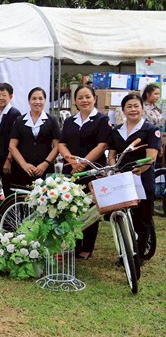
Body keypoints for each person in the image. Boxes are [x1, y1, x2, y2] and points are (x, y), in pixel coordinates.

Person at [58, 85, 112, 259]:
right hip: (72, 170)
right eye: (80, 97)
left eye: (87, 97)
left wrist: (82, 163)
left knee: (89, 208)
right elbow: (62, 143)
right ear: (75, 101)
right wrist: (70, 160)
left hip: (92, 170)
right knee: (71, 207)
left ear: (94, 98)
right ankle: (73, 244)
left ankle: (87, 247)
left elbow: (102, 145)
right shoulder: (69, 121)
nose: (84, 100)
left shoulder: (102, 120)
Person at [108, 94, 160, 262]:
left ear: (142, 108)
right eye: (129, 106)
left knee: (142, 217)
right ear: (123, 110)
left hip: (141, 177)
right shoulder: (117, 131)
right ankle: (126, 252)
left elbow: (151, 157)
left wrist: (140, 169)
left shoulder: (150, 130)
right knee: (123, 215)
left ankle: (139, 254)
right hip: (121, 178)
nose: (133, 109)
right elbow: (111, 155)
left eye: (136, 106)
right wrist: (114, 168)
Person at [8, 87, 60, 189]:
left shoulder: (52, 120)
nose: (37, 102)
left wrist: (45, 164)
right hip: (22, 169)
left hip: (45, 169)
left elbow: (57, 146)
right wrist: (24, 164)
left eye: (40, 98)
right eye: (34, 98)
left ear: (45, 101)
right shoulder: (19, 120)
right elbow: (12, 146)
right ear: (29, 101)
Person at [0, 83, 21, 196]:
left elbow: (16, 139)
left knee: (10, 188)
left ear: (10, 96)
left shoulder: (15, 114)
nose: (0, 98)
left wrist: (9, 160)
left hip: (10, 158)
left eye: (3, 95)